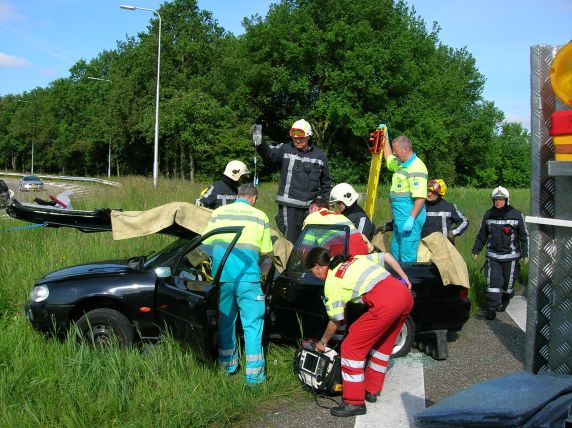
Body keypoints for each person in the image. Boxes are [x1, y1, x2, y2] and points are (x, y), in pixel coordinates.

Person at [307, 247, 413, 417]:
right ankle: (371, 390)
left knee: (351, 347)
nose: (316, 276)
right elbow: (386, 256)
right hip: (404, 296)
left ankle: (353, 402)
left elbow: (335, 321)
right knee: (383, 346)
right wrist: (405, 277)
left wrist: (322, 342)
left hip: (386, 303)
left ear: (318, 267)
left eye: (314, 273)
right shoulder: (351, 259)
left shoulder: (332, 282)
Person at [201, 183, 273, 384]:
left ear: (237, 196)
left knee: (226, 322)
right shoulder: (260, 216)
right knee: (252, 325)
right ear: (254, 198)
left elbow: (205, 245)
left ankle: (228, 366)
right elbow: (266, 254)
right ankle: (254, 376)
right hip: (248, 279)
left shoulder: (218, 213)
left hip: (222, 278)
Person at [252, 119, 332, 243]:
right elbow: (268, 154)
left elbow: (326, 183)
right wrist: (259, 140)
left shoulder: (320, 156)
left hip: (312, 208)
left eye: (301, 138)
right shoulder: (285, 149)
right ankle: (290, 262)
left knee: (312, 242)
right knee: (291, 241)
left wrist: (322, 203)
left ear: (309, 136)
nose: (297, 140)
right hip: (290, 207)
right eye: (294, 138)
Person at [471, 186, 529, 320]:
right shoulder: (488, 214)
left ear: (507, 200)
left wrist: (526, 253)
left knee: (508, 285)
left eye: (501, 200)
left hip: (511, 257)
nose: (498, 202)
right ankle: (491, 308)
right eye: (496, 200)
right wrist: (476, 250)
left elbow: (524, 236)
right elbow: (482, 235)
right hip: (493, 257)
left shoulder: (517, 215)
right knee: (493, 282)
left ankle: (505, 298)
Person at [383, 135, 428, 263]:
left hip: (409, 217)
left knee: (407, 256)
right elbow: (388, 158)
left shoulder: (417, 167)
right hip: (400, 218)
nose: (393, 153)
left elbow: (420, 197)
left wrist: (411, 218)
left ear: (405, 149)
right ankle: (398, 281)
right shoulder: (400, 163)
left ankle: (408, 282)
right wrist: (385, 138)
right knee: (396, 251)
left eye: (395, 150)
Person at [303, 196, 369, 256]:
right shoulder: (339, 215)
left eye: (309, 210)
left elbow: (306, 248)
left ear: (314, 208)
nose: (309, 213)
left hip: (345, 256)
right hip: (363, 252)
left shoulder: (311, 217)